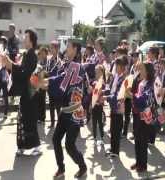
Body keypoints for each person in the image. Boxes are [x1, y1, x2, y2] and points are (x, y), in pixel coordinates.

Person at [47, 39, 87, 178]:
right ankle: (61, 168)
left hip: (74, 111)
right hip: (65, 110)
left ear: (75, 49)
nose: (66, 49)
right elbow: (54, 75)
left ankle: (82, 166)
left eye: (69, 47)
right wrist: (43, 77)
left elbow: (61, 83)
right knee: (56, 139)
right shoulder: (65, 64)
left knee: (69, 145)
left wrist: (44, 83)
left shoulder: (77, 67)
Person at [1, 28, 42, 156]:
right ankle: (22, 146)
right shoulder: (27, 54)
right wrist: (11, 64)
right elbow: (22, 69)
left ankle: (36, 146)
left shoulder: (32, 55)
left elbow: (26, 73)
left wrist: (11, 65)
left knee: (29, 120)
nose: (24, 39)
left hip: (30, 93)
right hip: (26, 93)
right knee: (23, 119)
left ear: (31, 41)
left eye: (26, 37)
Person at [131, 62, 155, 173]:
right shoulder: (141, 81)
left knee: (143, 141)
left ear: (148, 71)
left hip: (144, 117)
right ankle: (138, 161)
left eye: (143, 69)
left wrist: (133, 96)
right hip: (137, 114)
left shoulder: (151, 84)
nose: (141, 71)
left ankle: (143, 164)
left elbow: (144, 99)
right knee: (137, 139)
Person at [104, 55, 128, 158]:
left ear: (121, 67)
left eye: (116, 65)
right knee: (112, 128)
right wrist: (104, 92)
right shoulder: (116, 77)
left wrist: (106, 97)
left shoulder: (123, 79)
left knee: (116, 129)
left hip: (118, 106)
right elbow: (111, 90)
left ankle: (115, 151)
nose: (115, 67)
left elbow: (118, 94)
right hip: (113, 106)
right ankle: (113, 148)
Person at [46, 40, 62, 128]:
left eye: (52, 48)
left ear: (57, 49)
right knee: (51, 105)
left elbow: (59, 74)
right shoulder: (49, 60)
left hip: (57, 87)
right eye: (50, 48)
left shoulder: (59, 61)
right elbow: (47, 71)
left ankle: (59, 123)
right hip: (50, 86)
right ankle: (52, 123)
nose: (50, 49)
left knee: (58, 107)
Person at [89, 64, 106, 144]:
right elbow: (91, 93)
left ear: (102, 73)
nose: (97, 74)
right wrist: (89, 89)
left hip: (99, 106)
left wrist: (93, 90)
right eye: (96, 72)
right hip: (93, 105)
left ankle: (102, 138)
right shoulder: (93, 82)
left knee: (100, 123)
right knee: (94, 122)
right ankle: (95, 137)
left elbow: (99, 93)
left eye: (98, 72)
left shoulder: (102, 83)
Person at [37, 47, 48, 124]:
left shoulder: (47, 61)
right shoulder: (39, 60)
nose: (42, 54)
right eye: (41, 53)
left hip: (44, 82)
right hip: (38, 82)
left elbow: (47, 72)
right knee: (38, 100)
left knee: (42, 101)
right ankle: (38, 117)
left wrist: (42, 70)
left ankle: (43, 118)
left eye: (43, 53)